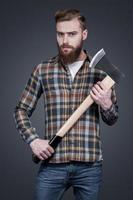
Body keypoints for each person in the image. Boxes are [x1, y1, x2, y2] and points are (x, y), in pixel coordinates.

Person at [14, 9, 118, 200]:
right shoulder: (43, 70)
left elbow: (112, 118)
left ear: (84, 34)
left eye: (72, 34)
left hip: (90, 167)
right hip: (53, 165)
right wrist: (33, 140)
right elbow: (21, 109)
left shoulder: (101, 72)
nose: (65, 40)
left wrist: (106, 104)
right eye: (60, 34)